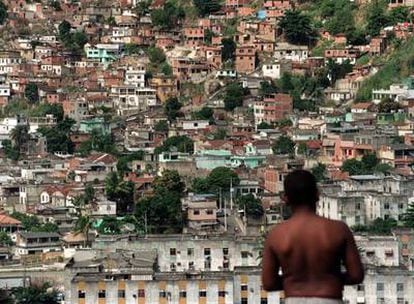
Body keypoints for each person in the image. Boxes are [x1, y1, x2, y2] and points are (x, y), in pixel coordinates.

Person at [261, 170, 364, 303]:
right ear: (317, 194)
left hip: (294, 298)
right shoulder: (338, 230)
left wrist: (292, 281)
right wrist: (330, 278)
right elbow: (356, 275)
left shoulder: (277, 235)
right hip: (330, 298)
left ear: (285, 198)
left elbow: (268, 283)